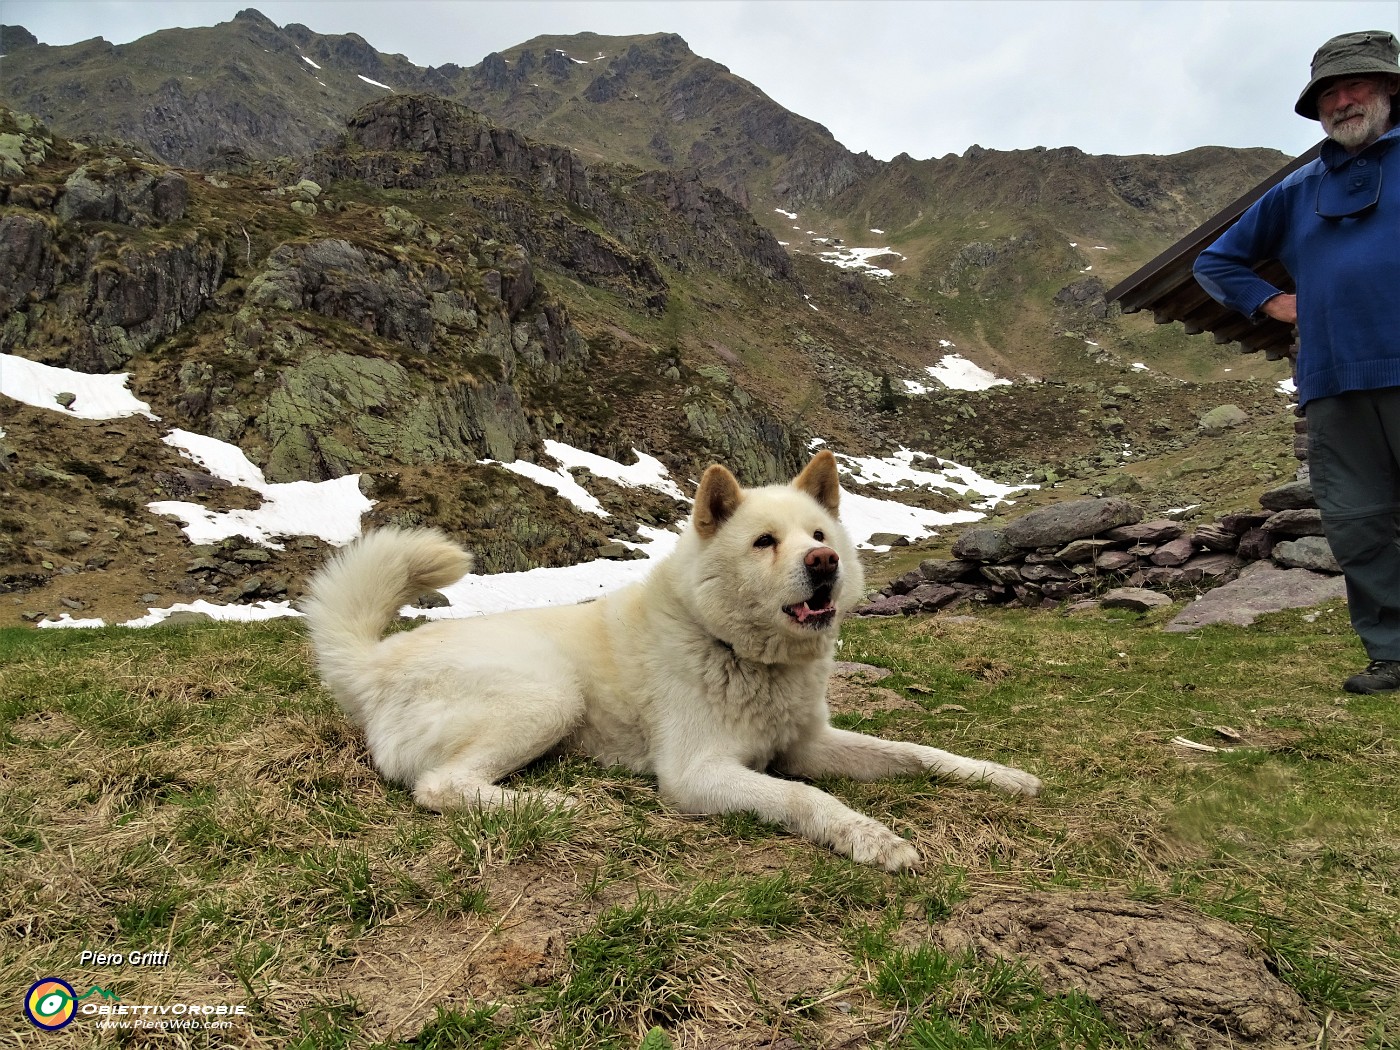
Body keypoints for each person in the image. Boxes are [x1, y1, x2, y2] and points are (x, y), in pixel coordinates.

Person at [1195, 30, 1400, 694]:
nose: (1343, 101)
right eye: (1329, 94)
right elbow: (1215, 261)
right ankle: (1392, 654)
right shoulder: (1299, 190)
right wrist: (1272, 302)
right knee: (1358, 522)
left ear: (1389, 87)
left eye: (1356, 85)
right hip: (1333, 385)